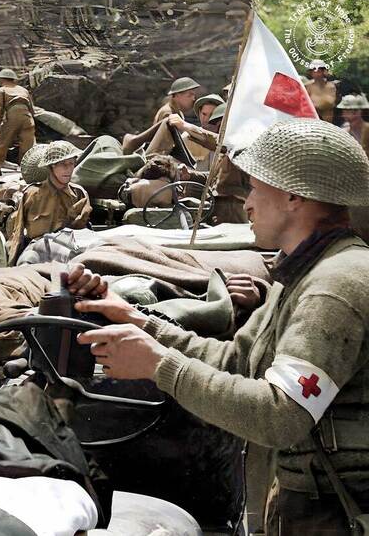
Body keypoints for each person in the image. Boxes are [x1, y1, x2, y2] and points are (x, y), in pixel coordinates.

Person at [75, 118, 369, 535]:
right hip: (310, 505)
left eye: (254, 187)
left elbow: (281, 415)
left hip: (334, 514)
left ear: (292, 195)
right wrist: (140, 322)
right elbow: (238, 360)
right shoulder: (305, 274)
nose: (246, 202)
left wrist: (161, 366)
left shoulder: (333, 286)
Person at [6, 140, 92, 261]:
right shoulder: (32, 194)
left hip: (70, 247)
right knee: (27, 260)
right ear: (51, 166)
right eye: (63, 164)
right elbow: (18, 232)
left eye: (71, 163)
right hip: (37, 248)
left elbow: (86, 230)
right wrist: (11, 263)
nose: (68, 169)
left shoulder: (79, 193)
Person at [170, 105, 250, 224]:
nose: (219, 128)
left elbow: (214, 140)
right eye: (218, 124)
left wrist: (185, 126)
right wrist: (190, 175)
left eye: (223, 123)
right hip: (217, 206)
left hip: (232, 207)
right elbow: (214, 178)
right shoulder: (228, 152)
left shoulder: (242, 146)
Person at [0, 68, 36, 171]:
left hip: (13, 114)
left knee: (2, 142)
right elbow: (32, 110)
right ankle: (25, 170)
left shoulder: (2, 90)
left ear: (2, 79)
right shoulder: (24, 90)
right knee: (27, 145)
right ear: (13, 79)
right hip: (27, 117)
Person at [186, 93, 225, 168]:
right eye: (204, 114)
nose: (206, 119)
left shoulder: (227, 142)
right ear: (199, 113)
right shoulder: (188, 137)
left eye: (212, 114)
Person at [338, 93, 369, 158]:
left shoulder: (367, 129)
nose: (345, 116)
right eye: (344, 112)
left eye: (349, 111)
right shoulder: (344, 131)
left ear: (359, 112)